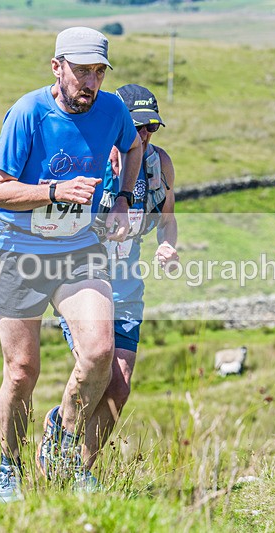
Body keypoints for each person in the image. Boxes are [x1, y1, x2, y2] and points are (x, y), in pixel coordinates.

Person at [0, 26, 143, 502]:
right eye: (81, 72)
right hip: (19, 252)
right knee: (21, 372)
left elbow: (132, 147)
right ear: (57, 67)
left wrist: (124, 199)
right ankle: (10, 471)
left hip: (77, 250)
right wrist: (53, 191)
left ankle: (65, 447)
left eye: (98, 72)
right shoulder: (28, 112)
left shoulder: (112, 109)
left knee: (98, 353)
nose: (90, 82)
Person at [50, 83, 179, 478]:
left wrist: (168, 247)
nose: (143, 136)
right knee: (97, 370)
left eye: (150, 129)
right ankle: (61, 432)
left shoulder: (158, 165)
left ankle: (82, 471)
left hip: (127, 288)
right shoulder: (86, 159)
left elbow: (168, 220)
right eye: (136, 127)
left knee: (118, 388)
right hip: (82, 285)